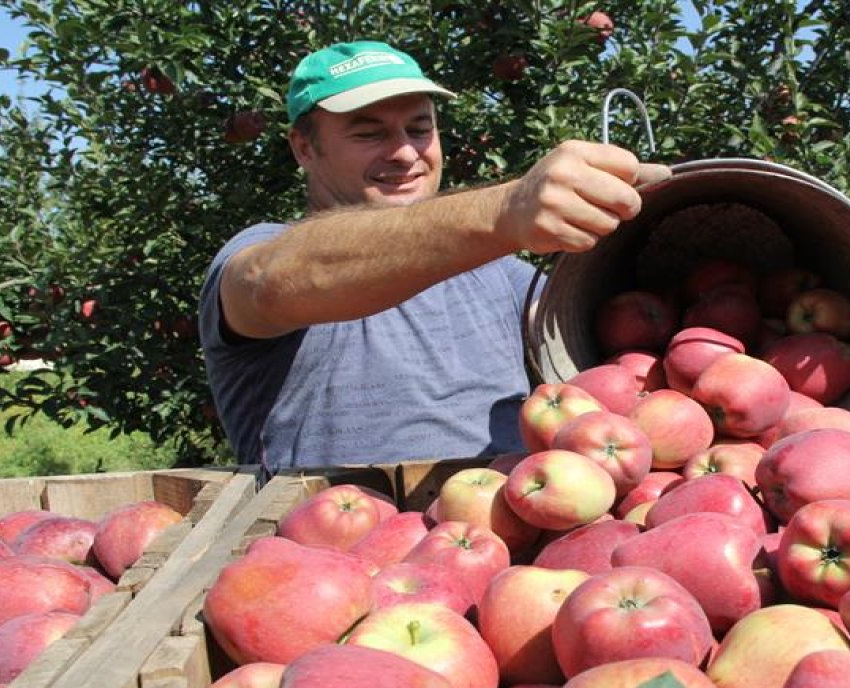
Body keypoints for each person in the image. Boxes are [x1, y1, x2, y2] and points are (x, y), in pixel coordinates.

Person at [198, 40, 670, 474]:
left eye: (420, 128)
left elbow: (606, 359)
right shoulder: (265, 253)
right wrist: (507, 209)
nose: (405, 152)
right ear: (304, 148)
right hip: (333, 553)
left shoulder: (505, 278)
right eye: (369, 133)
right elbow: (273, 281)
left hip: (497, 546)